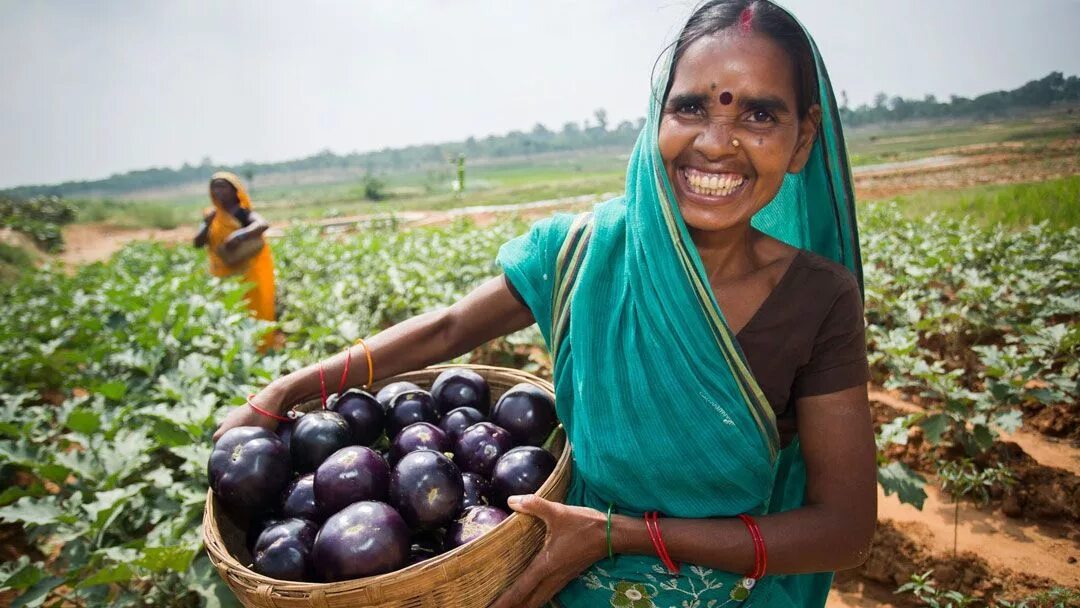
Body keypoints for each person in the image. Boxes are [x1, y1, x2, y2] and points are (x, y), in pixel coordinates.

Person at [213, 1, 875, 605]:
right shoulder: (579, 252)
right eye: (693, 108)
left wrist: (619, 535)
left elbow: (843, 531)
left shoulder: (817, 299)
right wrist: (288, 388)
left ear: (804, 139)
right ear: (657, 118)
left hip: (722, 586)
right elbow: (447, 329)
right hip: (556, 569)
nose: (717, 141)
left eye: (759, 113)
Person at [194, 172, 276, 325]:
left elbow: (262, 224)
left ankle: (262, 347)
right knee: (229, 312)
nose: (218, 191)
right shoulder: (211, 216)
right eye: (214, 187)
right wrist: (207, 224)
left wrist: (239, 236)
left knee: (254, 311)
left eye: (222, 187)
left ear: (234, 190)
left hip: (247, 273)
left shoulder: (242, 213)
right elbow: (197, 243)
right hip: (222, 272)